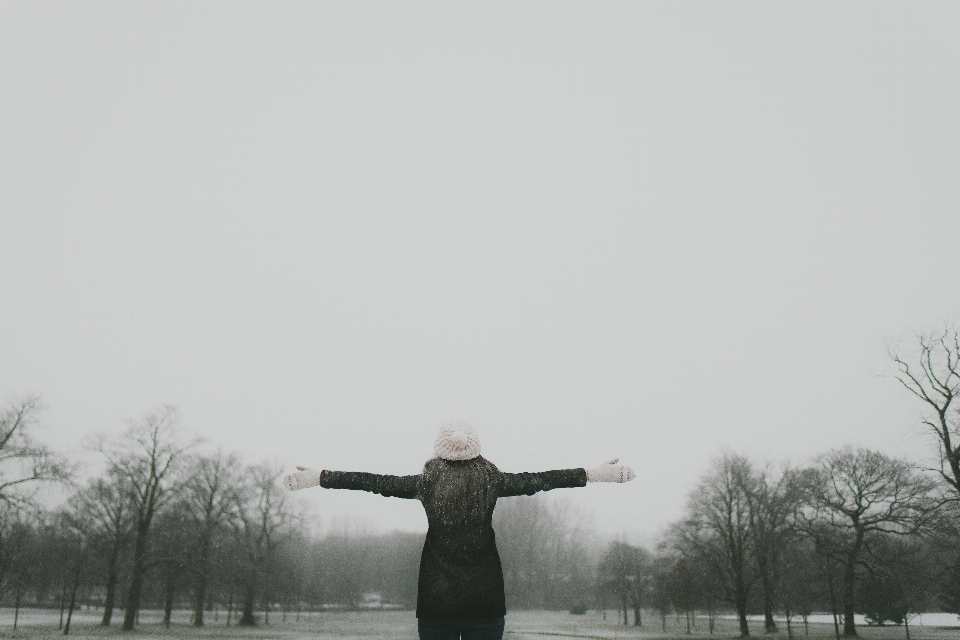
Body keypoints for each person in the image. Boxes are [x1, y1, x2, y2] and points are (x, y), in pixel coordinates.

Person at [283, 419, 635, 640]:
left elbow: (373, 481)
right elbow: (542, 480)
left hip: (437, 603)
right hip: (486, 600)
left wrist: (319, 477)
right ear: (475, 449)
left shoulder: (427, 482)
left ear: (440, 450)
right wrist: (593, 473)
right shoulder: (492, 479)